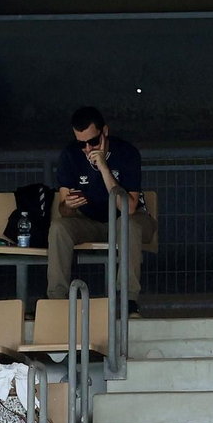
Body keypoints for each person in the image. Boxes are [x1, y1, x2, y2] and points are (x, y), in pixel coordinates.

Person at [48, 106, 155, 312]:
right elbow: (64, 211)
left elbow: (129, 207)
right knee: (59, 228)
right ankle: (56, 301)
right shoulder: (70, 155)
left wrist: (104, 167)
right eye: (82, 144)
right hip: (89, 221)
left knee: (128, 226)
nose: (88, 148)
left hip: (127, 219)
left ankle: (127, 301)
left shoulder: (127, 153)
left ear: (105, 132)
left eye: (93, 142)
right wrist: (67, 205)